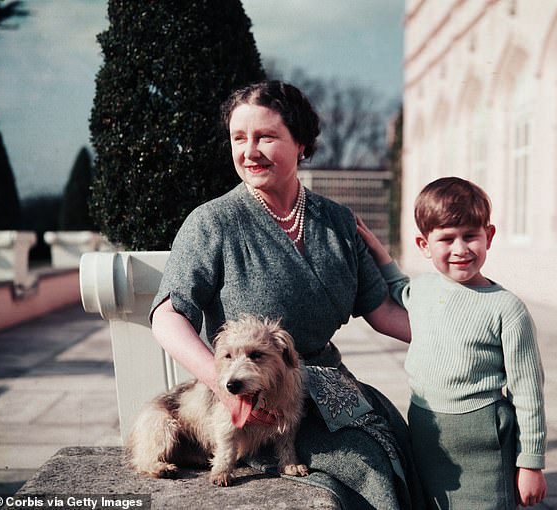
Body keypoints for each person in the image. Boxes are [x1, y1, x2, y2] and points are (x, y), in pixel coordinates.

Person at [150, 80, 426, 509]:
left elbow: (384, 311)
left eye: (266, 136)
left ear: (301, 143)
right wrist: (223, 385)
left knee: (396, 442)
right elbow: (168, 316)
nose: (250, 150)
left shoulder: (336, 221)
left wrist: (461, 334)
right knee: (363, 465)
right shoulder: (212, 222)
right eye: (239, 138)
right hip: (254, 402)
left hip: (329, 386)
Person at [357, 176, 547, 509]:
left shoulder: (507, 309)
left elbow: (528, 392)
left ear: (488, 236)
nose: (460, 249)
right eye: (446, 239)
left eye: (470, 236)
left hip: (484, 444)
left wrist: (530, 462)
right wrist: (378, 251)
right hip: (427, 429)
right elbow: (398, 286)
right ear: (424, 246)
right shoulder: (424, 290)